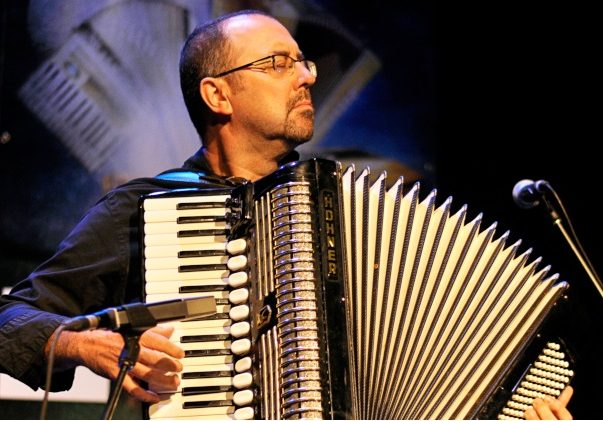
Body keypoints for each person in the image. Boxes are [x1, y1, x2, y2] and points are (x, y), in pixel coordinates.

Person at [0, 9, 574, 419]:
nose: (307, 76)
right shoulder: (148, 208)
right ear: (217, 96)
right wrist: (81, 344)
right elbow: (9, 320)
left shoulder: (356, 209)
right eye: (279, 63)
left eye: (303, 62)